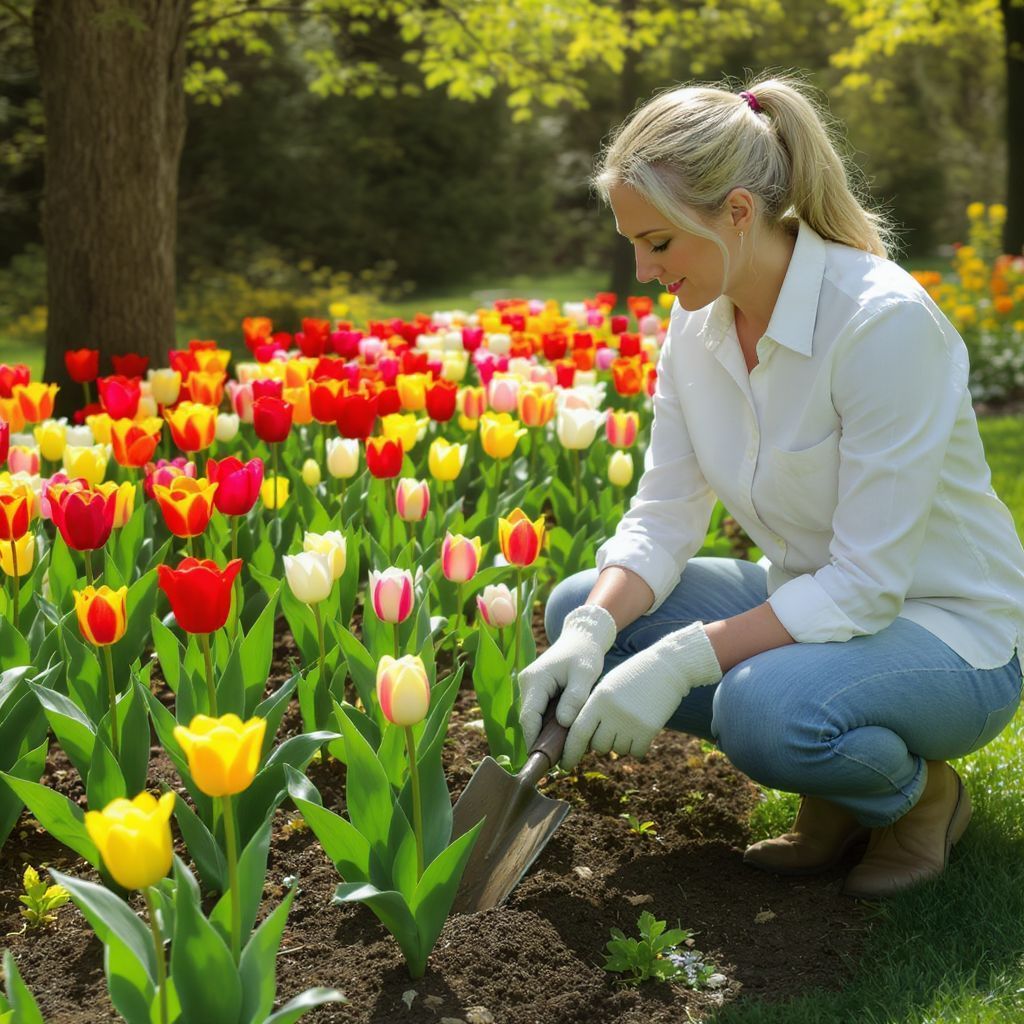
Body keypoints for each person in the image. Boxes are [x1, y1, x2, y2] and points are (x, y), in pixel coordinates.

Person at [517, 74, 1024, 899]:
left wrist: (685, 659)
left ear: (739, 212)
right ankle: (835, 791)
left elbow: (866, 587)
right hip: (818, 602)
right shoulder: (695, 330)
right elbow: (662, 515)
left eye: (658, 243)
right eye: (634, 244)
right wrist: (588, 627)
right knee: (587, 605)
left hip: (947, 632)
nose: (643, 271)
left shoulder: (879, 325)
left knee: (761, 710)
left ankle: (920, 800)